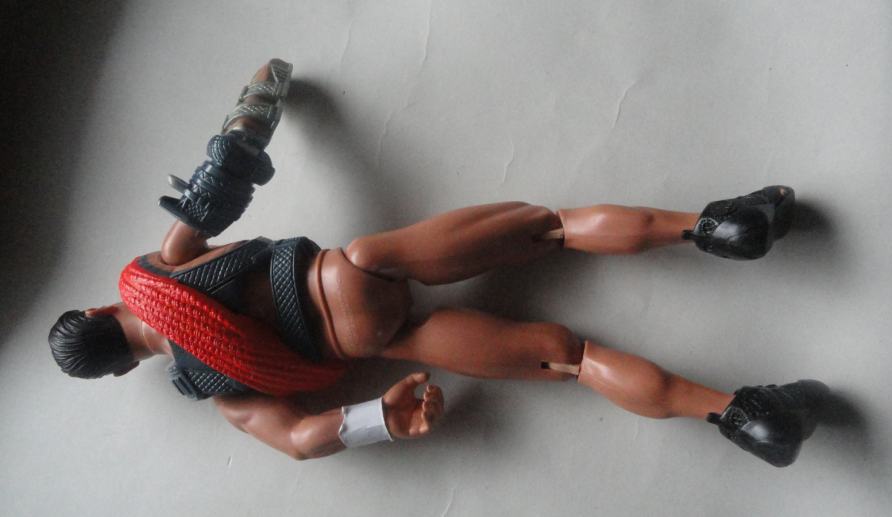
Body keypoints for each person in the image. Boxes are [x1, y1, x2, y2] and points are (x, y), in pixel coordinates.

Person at [48, 60, 827, 467]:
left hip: (385, 342)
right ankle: (713, 226)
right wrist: (258, 103)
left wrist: (379, 418)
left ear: (119, 367)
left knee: (577, 359)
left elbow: (299, 438)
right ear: (97, 312)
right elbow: (219, 184)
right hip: (354, 267)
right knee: (554, 228)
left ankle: (740, 415)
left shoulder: (213, 389)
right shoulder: (158, 273)